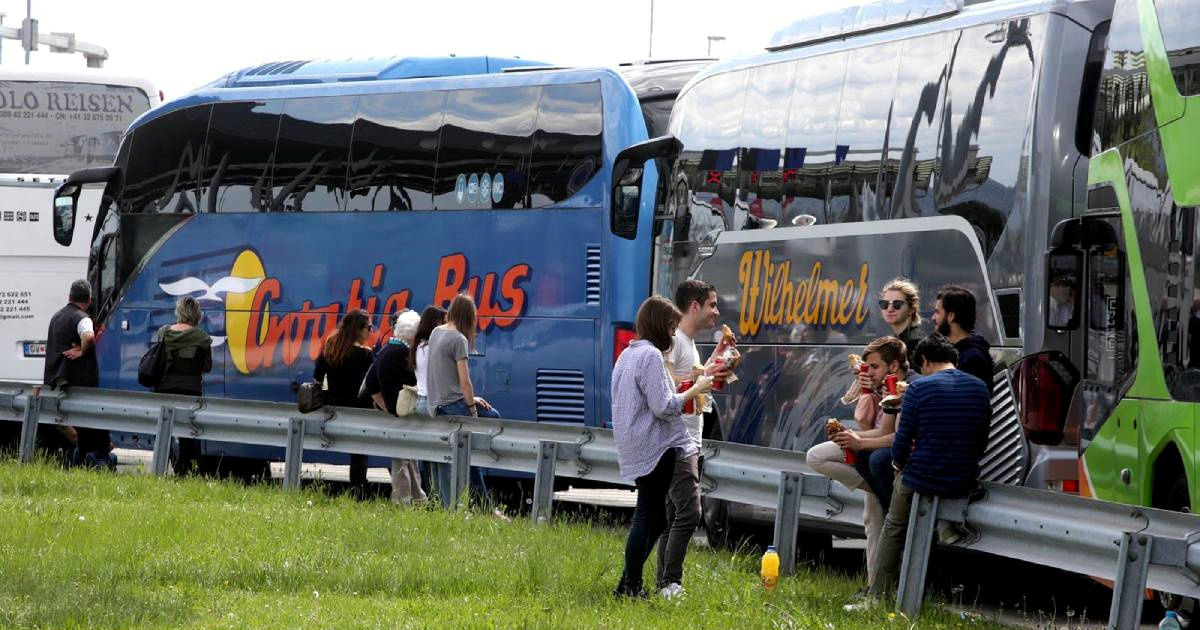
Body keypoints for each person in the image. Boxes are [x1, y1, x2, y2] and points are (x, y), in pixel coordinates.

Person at [860, 333, 991, 602]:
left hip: (922, 477)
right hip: (964, 478)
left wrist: (898, 467)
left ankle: (877, 595)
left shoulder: (918, 389)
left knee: (894, 525)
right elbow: (981, 440)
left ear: (925, 360)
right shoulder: (980, 387)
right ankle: (945, 526)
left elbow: (901, 443)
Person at [612, 296, 712, 599]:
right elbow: (664, 407)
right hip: (655, 447)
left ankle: (627, 582)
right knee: (646, 516)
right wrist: (696, 389)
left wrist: (681, 389)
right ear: (660, 326)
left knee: (658, 519)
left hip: (634, 442)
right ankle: (631, 587)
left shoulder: (627, 354)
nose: (672, 335)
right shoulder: (652, 356)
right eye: (670, 328)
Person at [808, 336, 907, 588]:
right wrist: (865, 393)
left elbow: (892, 435)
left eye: (874, 366)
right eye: (866, 367)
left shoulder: (903, 388)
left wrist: (858, 442)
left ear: (893, 366)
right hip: (873, 461)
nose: (868, 372)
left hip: (886, 462)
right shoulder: (880, 388)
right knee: (817, 457)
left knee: (875, 523)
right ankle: (874, 585)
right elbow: (865, 422)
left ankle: (876, 586)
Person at [658, 280, 733, 597]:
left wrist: (716, 363)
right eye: (712, 305)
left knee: (673, 515)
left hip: (691, 438)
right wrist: (700, 378)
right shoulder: (674, 340)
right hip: (677, 441)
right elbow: (663, 383)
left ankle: (664, 583)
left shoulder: (690, 342)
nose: (716, 312)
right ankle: (671, 582)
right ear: (694, 306)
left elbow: (695, 382)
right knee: (690, 512)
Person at [427, 294, 500, 505]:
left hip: (437, 405)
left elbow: (444, 374)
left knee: (469, 453)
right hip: (453, 405)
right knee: (494, 417)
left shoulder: (436, 332)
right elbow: (465, 382)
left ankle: (481, 505)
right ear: (468, 317)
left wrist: (471, 399)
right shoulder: (459, 339)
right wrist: (472, 411)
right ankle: (484, 506)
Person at [43, 279, 112, 469]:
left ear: (69, 296)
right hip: (81, 383)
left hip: (58, 381)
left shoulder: (56, 317)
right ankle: (91, 462)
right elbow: (88, 336)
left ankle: (78, 462)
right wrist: (82, 351)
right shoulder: (83, 318)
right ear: (89, 299)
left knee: (76, 433)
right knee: (90, 430)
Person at [363, 309, 427, 505]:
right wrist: (393, 407)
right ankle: (403, 501)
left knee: (408, 458)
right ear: (413, 334)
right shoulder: (403, 354)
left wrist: (385, 405)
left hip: (394, 411)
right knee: (403, 460)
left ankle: (418, 498)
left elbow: (371, 383)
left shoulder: (387, 349)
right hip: (402, 414)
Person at [314, 309, 375, 499]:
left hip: (333, 409)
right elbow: (371, 385)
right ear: (358, 329)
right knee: (359, 451)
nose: (371, 331)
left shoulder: (330, 347)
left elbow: (317, 378)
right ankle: (358, 489)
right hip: (358, 410)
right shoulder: (365, 355)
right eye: (369, 327)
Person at [153, 296, 213, 476]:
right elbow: (207, 367)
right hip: (190, 391)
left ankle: (164, 465)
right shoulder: (203, 338)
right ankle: (185, 468)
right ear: (197, 315)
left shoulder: (164, 332)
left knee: (164, 430)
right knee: (189, 431)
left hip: (164, 389)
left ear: (178, 312)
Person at [411, 305, 448, 502]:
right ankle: (441, 498)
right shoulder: (434, 348)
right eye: (444, 322)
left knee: (428, 457)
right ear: (436, 324)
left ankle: (433, 497)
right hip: (433, 402)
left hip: (420, 402)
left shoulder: (417, 347)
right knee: (442, 457)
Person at [932, 285, 994, 389]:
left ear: (951, 316)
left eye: (937, 312)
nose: (933, 318)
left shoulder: (973, 359)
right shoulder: (953, 352)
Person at [878, 278, 927, 370]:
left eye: (897, 304)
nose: (890, 309)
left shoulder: (916, 342)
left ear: (911, 309)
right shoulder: (897, 339)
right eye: (885, 304)